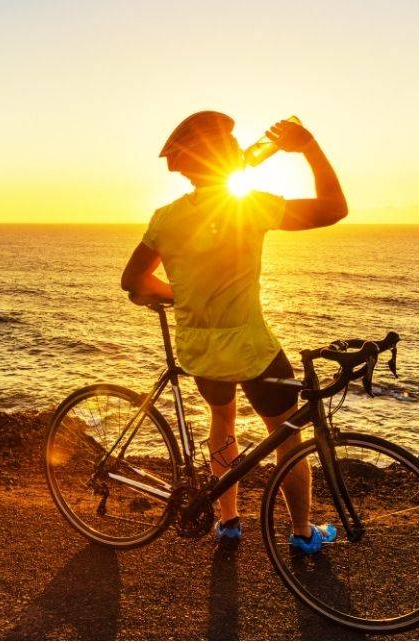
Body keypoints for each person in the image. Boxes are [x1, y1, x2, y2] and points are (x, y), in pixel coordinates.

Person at [120, 111, 348, 553]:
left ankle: (228, 522)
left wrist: (183, 296)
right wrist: (309, 147)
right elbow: (334, 209)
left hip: (200, 351)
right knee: (286, 435)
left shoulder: (165, 218)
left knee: (222, 419)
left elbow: (133, 282)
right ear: (223, 157)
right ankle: (302, 534)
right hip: (251, 348)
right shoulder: (249, 205)